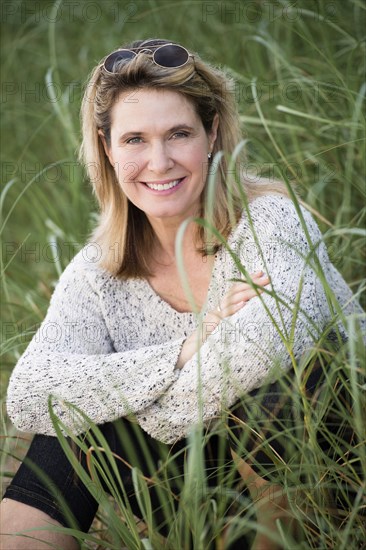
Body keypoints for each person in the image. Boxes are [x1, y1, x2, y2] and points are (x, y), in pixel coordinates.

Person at [1, 38, 364, 549]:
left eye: (178, 134)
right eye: (134, 140)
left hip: (323, 477)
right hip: (202, 496)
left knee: (267, 392)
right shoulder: (97, 273)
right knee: (68, 435)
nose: (159, 161)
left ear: (212, 134)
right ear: (107, 149)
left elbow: (267, 343)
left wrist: (137, 405)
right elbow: (30, 392)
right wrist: (184, 349)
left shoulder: (270, 220)